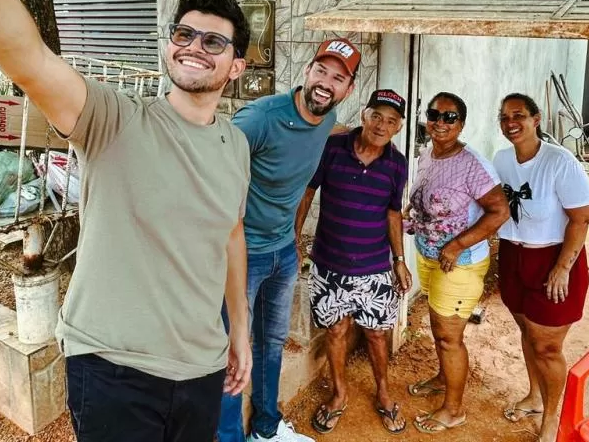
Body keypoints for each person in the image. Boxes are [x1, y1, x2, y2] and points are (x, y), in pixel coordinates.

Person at [0, 0, 253, 441]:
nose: (194, 47)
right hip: (113, 369)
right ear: (168, 46)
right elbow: (27, 57)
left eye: (213, 41)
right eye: (184, 34)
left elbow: (230, 233)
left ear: (237, 66)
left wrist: (241, 331)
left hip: (201, 367)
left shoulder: (236, 143)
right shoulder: (114, 119)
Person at [218, 39, 360, 442]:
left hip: (283, 251)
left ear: (348, 90)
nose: (326, 83)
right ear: (306, 71)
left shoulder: (327, 120)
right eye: (321, 71)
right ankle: (229, 437)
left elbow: (333, 131)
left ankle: (265, 429)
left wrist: (370, 133)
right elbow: (214, 162)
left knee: (272, 342)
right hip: (243, 254)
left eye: (338, 78)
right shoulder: (261, 118)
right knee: (230, 350)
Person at [295, 89, 412, 435]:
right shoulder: (332, 148)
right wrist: (294, 239)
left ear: (398, 127)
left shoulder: (397, 163)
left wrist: (399, 260)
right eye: (376, 116)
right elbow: (307, 192)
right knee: (335, 330)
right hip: (328, 264)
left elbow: (393, 213)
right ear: (364, 115)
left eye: (391, 121)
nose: (381, 125)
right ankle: (339, 394)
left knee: (376, 333)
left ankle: (383, 392)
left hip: (374, 268)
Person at [404, 92, 509, 434]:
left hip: (459, 262)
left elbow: (500, 212)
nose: (440, 122)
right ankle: (443, 377)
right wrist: (411, 215)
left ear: (461, 124)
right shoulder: (427, 154)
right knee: (440, 330)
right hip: (429, 255)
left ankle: (454, 410)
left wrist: (457, 245)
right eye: (434, 115)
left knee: (449, 337)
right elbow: (426, 197)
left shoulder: (473, 165)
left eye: (449, 117)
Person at [493, 93, 589, 442]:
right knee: (528, 332)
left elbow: (583, 218)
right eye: (504, 117)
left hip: (552, 260)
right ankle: (535, 397)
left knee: (547, 347)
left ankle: (551, 420)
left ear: (536, 119)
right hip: (513, 257)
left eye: (518, 115)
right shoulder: (502, 159)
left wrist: (562, 268)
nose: (510, 123)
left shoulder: (559, 161)